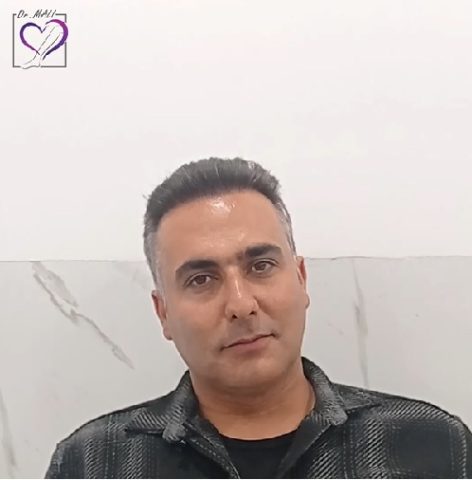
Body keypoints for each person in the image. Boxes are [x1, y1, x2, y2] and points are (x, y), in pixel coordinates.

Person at [45, 157, 472, 479]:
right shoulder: (93, 462)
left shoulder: (432, 444)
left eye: (261, 266)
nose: (240, 303)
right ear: (164, 314)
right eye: (201, 279)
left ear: (301, 279)